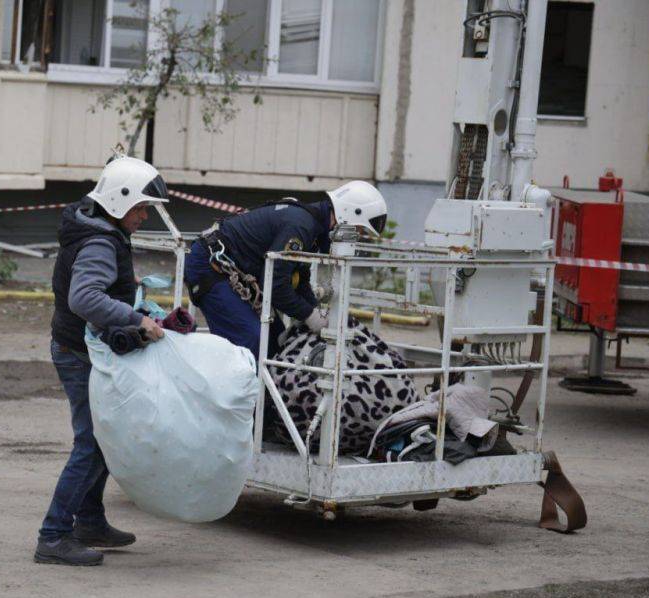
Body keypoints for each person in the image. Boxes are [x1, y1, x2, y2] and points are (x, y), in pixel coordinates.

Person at [36, 156, 169, 566]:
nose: (146, 216)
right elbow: (85, 298)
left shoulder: (99, 228)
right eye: (141, 208)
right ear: (118, 201)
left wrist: (135, 300)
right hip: (78, 353)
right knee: (92, 443)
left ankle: (90, 522)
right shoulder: (99, 240)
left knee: (103, 439)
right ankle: (53, 536)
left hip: (78, 347)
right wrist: (136, 319)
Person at [185, 180, 388, 361]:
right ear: (348, 215)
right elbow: (275, 284)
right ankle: (242, 403)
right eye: (358, 230)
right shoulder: (302, 226)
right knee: (252, 340)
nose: (355, 238)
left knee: (276, 342)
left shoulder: (312, 227)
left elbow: (298, 279)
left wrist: (315, 312)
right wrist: (310, 316)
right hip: (210, 267)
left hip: (230, 269)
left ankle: (266, 402)